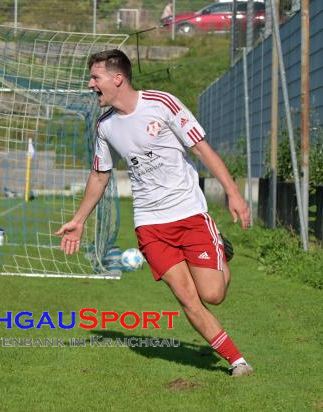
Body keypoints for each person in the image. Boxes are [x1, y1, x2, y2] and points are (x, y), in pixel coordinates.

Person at [56, 49, 253, 377]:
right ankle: (237, 362)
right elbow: (100, 175)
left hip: (190, 214)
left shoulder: (162, 103)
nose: (90, 85)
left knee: (212, 294)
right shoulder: (105, 127)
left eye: (95, 78)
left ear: (117, 78)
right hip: (150, 225)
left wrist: (234, 193)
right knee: (188, 297)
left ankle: (218, 246)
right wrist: (79, 221)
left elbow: (202, 149)